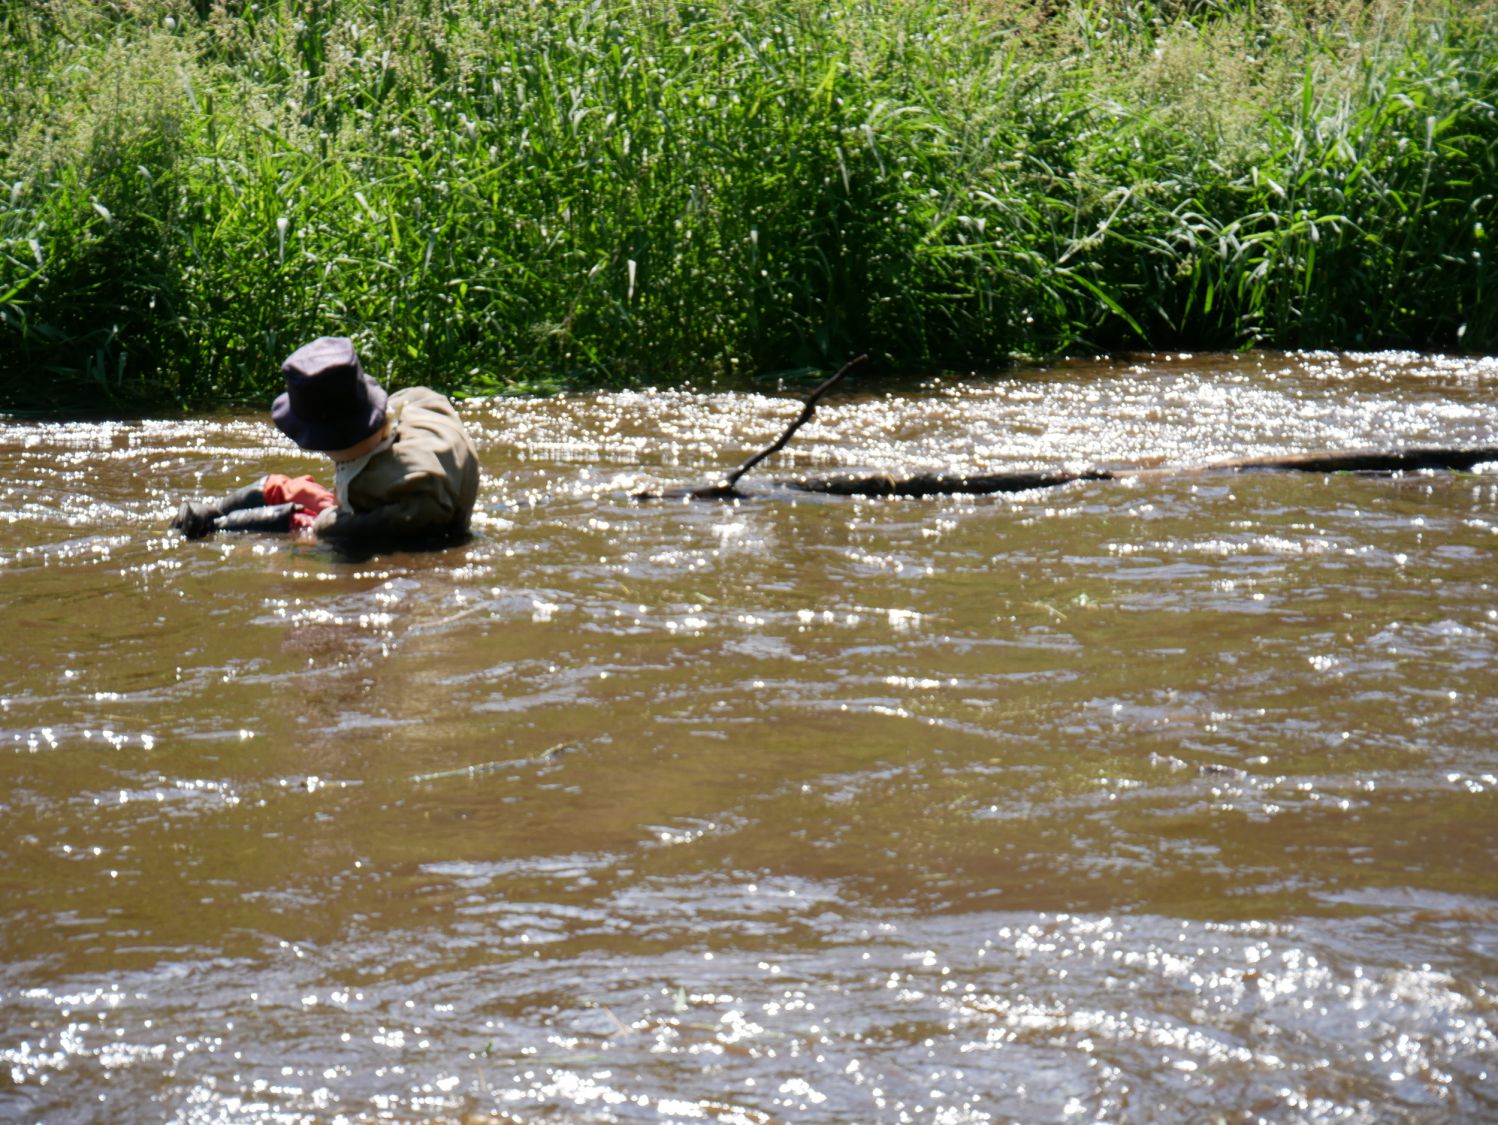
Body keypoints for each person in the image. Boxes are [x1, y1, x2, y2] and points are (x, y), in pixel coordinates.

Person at [171, 337, 480, 545]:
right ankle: (216, 510)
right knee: (292, 492)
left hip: (409, 530)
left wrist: (325, 525)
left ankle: (213, 526)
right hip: (398, 486)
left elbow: (418, 515)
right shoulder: (415, 402)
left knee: (309, 530)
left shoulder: (394, 491)